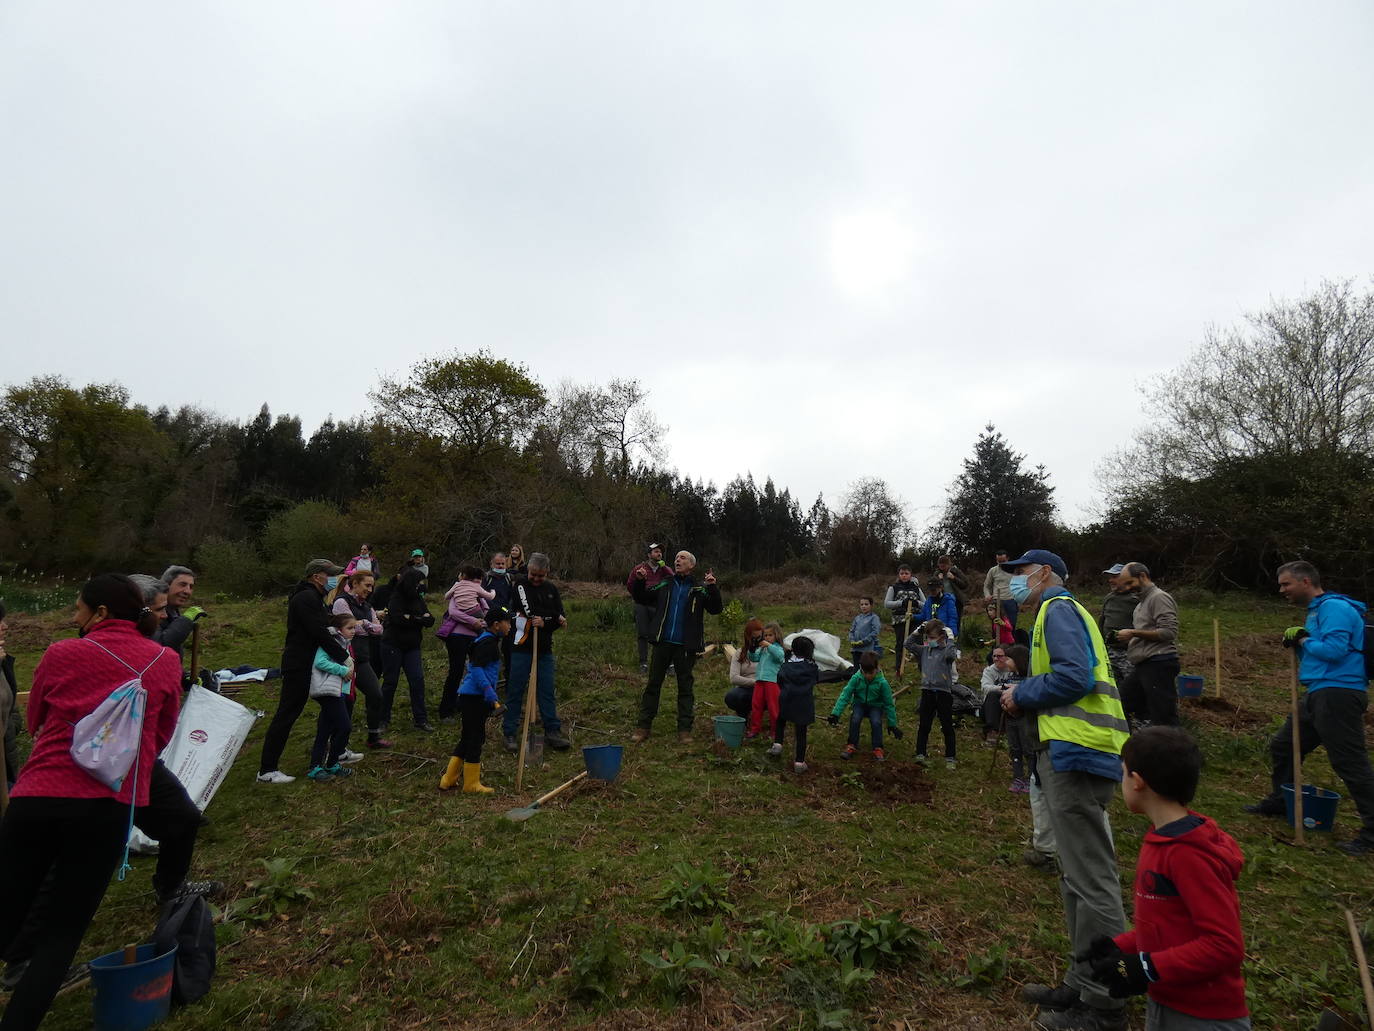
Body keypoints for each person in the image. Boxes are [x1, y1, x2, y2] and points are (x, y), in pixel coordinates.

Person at [0, 575, 181, 1031]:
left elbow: (35, 717)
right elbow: (161, 734)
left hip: (38, 796)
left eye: (78, 608)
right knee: (62, 935)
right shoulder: (165, 660)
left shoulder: (62, 652)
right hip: (108, 804)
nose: (73, 616)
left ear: (100, 613)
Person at [998, 548, 1129, 1031]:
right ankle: (1081, 980)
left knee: (1092, 880)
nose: (1014, 582)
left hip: (1079, 753)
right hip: (1071, 752)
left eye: (1019, 574)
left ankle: (1105, 1004)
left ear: (1045, 573)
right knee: (1075, 876)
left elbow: (1073, 677)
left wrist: (1021, 693)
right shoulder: (1058, 615)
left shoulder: (1058, 609)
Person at [1077, 726, 1250, 1031]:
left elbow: (1224, 945)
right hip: (1167, 1000)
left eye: (1123, 773)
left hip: (1203, 1016)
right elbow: (1168, 927)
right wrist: (1121, 947)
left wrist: (1146, 968)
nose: (1121, 782)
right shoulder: (1162, 839)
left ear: (1138, 782)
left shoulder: (1188, 855)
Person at [1243, 560, 1374, 857]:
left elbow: (1335, 651)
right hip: (1318, 691)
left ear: (1305, 581)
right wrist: (1300, 643)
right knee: (1284, 745)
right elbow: (1319, 654)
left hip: (1339, 693)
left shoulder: (1335, 608)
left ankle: (1371, 831)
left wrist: (1303, 637)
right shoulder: (1317, 611)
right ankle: (1281, 800)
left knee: (1349, 762)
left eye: (1286, 584)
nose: (1282, 590)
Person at [258, 560, 351, 783]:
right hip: (299, 664)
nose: (333, 579)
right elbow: (319, 632)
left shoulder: (315, 599)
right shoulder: (305, 598)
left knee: (332, 708)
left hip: (312, 664)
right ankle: (267, 770)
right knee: (287, 713)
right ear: (317, 576)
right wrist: (343, 657)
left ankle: (332, 755)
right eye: (330, 575)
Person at [629, 550, 723, 743]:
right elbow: (643, 598)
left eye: (683, 558)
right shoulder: (666, 584)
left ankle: (684, 730)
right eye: (677, 558)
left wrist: (712, 587)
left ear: (691, 565)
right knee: (653, 685)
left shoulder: (699, 589)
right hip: (663, 642)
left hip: (685, 646)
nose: (677, 560)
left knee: (685, 688)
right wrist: (640, 581)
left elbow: (716, 609)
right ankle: (643, 726)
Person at [502, 553, 572, 751]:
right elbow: (530, 612)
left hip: (544, 648)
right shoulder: (520, 586)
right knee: (515, 689)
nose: (536, 579)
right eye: (534, 574)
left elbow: (560, 616)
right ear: (529, 570)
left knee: (547, 691)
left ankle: (552, 731)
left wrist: (548, 621)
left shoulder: (551, 589)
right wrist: (549, 619)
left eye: (541, 576)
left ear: (547, 573)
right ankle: (509, 732)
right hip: (522, 647)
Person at [439, 605, 512, 794]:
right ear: (496, 625)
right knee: (475, 739)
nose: (510, 626)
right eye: (507, 623)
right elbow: (477, 669)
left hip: (470, 696)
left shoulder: (485, 639)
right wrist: (489, 692)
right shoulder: (488, 643)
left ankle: (448, 779)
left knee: (467, 737)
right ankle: (471, 784)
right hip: (475, 697)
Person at [1115, 563, 1180, 728]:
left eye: (1130, 583)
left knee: (1164, 716)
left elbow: (1168, 632)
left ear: (1143, 576)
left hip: (1159, 663)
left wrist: (1133, 633)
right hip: (1144, 664)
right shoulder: (1140, 604)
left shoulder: (1159, 597)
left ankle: (1174, 749)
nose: (1129, 588)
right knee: (1122, 702)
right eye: (1126, 585)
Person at [331, 571, 390, 750]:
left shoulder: (367, 605)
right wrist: (366, 625)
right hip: (344, 659)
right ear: (355, 584)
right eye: (367, 585)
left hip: (362, 659)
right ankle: (338, 743)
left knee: (376, 694)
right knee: (346, 700)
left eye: (372, 586)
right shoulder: (342, 602)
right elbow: (349, 628)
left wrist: (363, 623)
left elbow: (379, 629)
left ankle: (373, 737)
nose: (370, 589)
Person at [380, 565, 436, 733]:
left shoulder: (418, 600)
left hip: (412, 647)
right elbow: (397, 619)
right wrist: (419, 619)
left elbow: (430, 620)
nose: (421, 585)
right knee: (390, 682)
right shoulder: (396, 598)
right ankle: (383, 719)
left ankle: (421, 719)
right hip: (393, 645)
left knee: (417, 681)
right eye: (419, 582)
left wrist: (413, 618)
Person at [306, 613, 357, 782]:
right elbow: (320, 662)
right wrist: (343, 671)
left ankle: (317, 766)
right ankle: (331, 762)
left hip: (338, 691)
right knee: (344, 726)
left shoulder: (345, 643)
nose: (353, 631)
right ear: (338, 630)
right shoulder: (331, 642)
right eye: (350, 628)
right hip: (329, 691)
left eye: (354, 627)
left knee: (325, 729)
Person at [437, 566, 492, 721]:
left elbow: (487, 611)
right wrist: (474, 621)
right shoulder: (458, 592)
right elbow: (453, 612)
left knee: (478, 671)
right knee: (456, 672)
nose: (477, 582)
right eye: (474, 579)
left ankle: (471, 705)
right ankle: (446, 710)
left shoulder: (479, 594)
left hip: (476, 638)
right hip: (457, 637)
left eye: (479, 580)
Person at [828, 651, 899, 761]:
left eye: (870, 673)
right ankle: (851, 745)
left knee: (876, 721)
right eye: (864, 672)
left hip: (876, 706)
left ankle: (878, 748)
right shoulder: (856, 678)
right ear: (861, 668)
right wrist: (835, 714)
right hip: (859, 704)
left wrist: (892, 724)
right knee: (855, 718)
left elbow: (889, 704)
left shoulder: (882, 683)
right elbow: (845, 695)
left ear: (877, 668)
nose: (867, 676)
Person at [910, 619, 959, 769]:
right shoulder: (924, 650)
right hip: (927, 691)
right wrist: (917, 631)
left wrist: (951, 639)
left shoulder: (946, 652)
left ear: (941, 637)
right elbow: (908, 644)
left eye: (932, 638)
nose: (928, 641)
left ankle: (950, 757)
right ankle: (920, 753)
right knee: (924, 724)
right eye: (927, 637)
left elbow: (952, 654)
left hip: (944, 693)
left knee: (946, 725)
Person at [767, 635, 818, 773]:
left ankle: (777, 744)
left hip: (786, 698)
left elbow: (779, 680)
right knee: (801, 733)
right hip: (803, 702)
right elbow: (815, 679)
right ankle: (799, 763)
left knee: (780, 721)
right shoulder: (812, 667)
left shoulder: (786, 665)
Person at [157, 564, 207, 682]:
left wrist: (183, 677)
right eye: (183, 585)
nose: (187, 591)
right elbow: (161, 647)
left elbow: (171, 656)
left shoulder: (173, 612)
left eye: (191, 587)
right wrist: (186, 620)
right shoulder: (152, 612)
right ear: (166, 585)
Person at [626, 543, 671, 672]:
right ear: (649, 554)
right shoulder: (639, 568)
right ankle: (643, 663)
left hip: (657, 605)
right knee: (643, 634)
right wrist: (640, 597)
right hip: (642, 605)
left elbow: (672, 579)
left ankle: (663, 663)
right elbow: (630, 585)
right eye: (656, 551)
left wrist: (665, 567)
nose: (659, 554)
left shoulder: (664, 569)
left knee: (660, 634)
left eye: (660, 552)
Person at [1097, 564, 1139, 691]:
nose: (1111, 580)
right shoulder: (1109, 598)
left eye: (1115, 577)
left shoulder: (1136, 600)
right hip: (1110, 651)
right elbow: (1102, 620)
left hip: (1129, 653)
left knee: (1132, 685)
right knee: (1113, 685)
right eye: (1110, 577)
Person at [745, 622, 785, 741]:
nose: (767, 638)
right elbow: (754, 658)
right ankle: (755, 729)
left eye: (770, 635)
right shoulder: (763, 649)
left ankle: (775, 731)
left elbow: (780, 657)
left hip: (771, 681)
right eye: (765, 635)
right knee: (756, 705)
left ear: (776, 635)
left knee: (773, 707)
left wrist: (768, 645)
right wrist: (751, 649)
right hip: (759, 680)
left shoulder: (777, 648)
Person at [883, 566, 925, 674]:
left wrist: (917, 603)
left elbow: (926, 605)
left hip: (915, 619)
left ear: (910, 575)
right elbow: (887, 604)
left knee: (918, 643)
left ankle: (923, 670)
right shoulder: (894, 588)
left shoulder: (917, 588)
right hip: (900, 619)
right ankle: (899, 669)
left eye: (906, 573)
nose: (904, 575)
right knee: (901, 644)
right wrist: (901, 603)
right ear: (899, 575)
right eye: (902, 573)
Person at [482, 552, 515, 686]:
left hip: (505, 617)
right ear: (492, 564)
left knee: (508, 651)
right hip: (490, 618)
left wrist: (508, 612)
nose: (500, 566)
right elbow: (482, 595)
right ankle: (487, 682)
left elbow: (510, 597)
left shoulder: (508, 578)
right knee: (489, 649)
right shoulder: (486, 577)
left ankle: (509, 681)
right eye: (498, 564)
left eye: (502, 564)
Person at [723, 619, 762, 720]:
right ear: (748, 637)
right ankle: (743, 717)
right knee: (732, 697)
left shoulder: (767, 651)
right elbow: (734, 678)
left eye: (759, 638)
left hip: (765, 687)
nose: (757, 641)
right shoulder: (740, 653)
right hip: (746, 689)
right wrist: (755, 682)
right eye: (754, 638)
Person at [979, 645, 1017, 748]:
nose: (996, 659)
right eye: (994, 656)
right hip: (991, 707)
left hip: (1009, 705)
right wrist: (1003, 689)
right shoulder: (989, 671)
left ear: (1007, 657)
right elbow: (985, 688)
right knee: (992, 694)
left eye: (999, 656)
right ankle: (992, 732)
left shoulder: (1013, 670)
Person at [0, 601, 18, 787]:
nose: (5, 626)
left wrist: (12, 725)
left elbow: (13, 709)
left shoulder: (4, 660)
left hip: (6, 764)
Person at [984, 549, 1019, 630]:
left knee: (1011, 624)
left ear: (1008, 559)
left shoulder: (1014, 570)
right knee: (996, 625)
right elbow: (986, 585)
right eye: (999, 561)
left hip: (1011, 600)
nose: (1001, 563)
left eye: (1003, 561)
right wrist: (987, 595)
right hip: (997, 601)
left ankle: (1011, 641)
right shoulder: (993, 571)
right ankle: (997, 641)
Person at [847, 597, 882, 668]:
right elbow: (852, 630)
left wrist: (864, 641)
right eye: (862, 604)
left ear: (871, 605)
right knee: (856, 668)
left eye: (866, 604)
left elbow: (875, 631)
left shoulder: (874, 618)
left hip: (867, 649)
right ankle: (857, 679)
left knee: (866, 667)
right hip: (855, 648)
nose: (864, 606)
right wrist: (852, 640)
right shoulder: (857, 618)